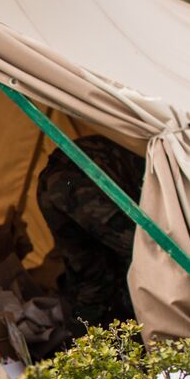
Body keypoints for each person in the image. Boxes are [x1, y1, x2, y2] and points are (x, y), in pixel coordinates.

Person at [35, 133, 146, 338]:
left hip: (55, 180)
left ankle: (88, 342)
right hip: (78, 183)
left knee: (89, 271)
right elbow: (139, 248)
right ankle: (104, 341)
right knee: (138, 252)